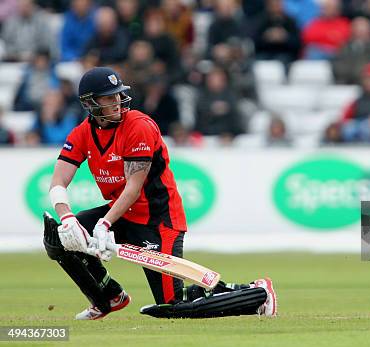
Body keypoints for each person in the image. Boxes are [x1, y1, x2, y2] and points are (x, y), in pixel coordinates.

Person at [42, 66, 276, 320]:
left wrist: (105, 224)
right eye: (108, 98)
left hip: (158, 218)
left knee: (173, 303)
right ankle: (107, 296)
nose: (117, 102)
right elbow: (58, 180)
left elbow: (133, 188)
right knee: (58, 238)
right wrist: (67, 217)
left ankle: (256, 294)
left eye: (118, 95)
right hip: (123, 214)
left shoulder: (138, 126)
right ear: (90, 102)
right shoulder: (82, 133)